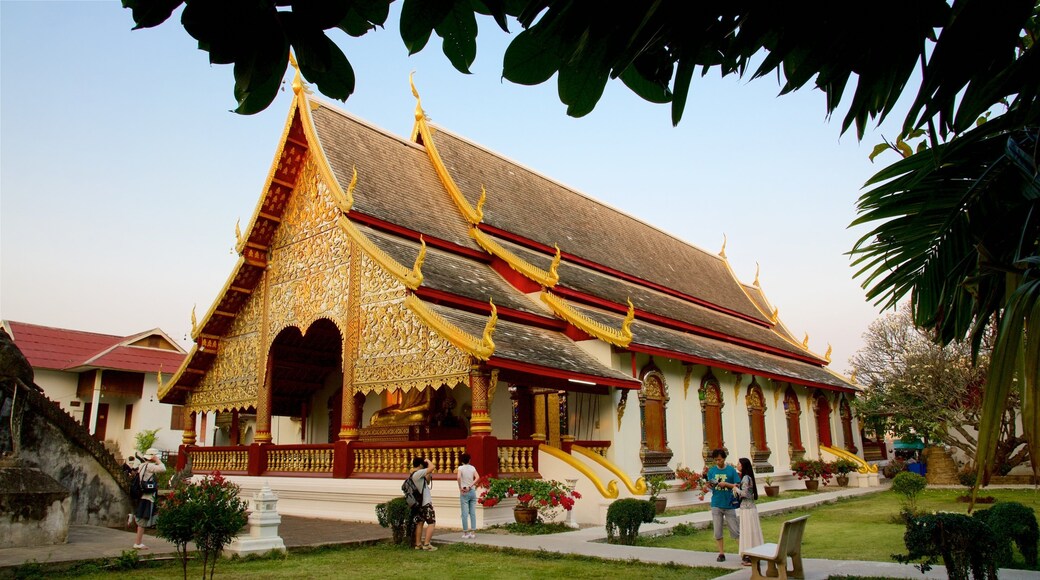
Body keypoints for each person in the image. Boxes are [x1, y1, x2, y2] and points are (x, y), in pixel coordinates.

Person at [707, 448, 740, 562]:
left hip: (729, 504)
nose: (718, 462)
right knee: (717, 531)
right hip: (716, 503)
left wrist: (726, 484)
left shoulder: (731, 470)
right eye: (716, 460)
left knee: (735, 530)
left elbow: (737, 485)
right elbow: (710, 486)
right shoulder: (711, 471)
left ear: (724, 459)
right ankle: (721, 553)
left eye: (720, 459)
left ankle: (743, 553)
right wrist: (708, 486)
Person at [733, 457, 764, 567]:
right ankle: (754, 553)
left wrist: (735, 489)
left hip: (746, 508)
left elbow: (745, 494)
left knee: (748, 531)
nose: (737, 465)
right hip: (750, 508)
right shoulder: (748, 477)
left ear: (742, 465)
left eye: (738, 463)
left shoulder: (745, 478)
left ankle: (749, 555)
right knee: (752, 531)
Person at [133, 448, 166, 550]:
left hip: (143, 495)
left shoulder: (142, 465)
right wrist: (157, 460)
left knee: (142, 518)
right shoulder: (150, 466)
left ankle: (138, 542)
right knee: (143, 519)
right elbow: (163, 469)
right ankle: (138, 543)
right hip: (147, 497)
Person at [410, 456, 437, 551]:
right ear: (421, 465)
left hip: (419, 503)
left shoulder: (414, 474)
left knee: (420, 522)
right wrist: (428, 461)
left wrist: (428, 472)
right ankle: (426, 544)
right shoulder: (418, 473)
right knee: (431, 522)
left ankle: (418, 544)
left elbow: (428, 482)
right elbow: (432, 467)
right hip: (425, 502)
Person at [456, 453, 479, 539]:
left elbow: (458, 477)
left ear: (462, 460)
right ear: (469, 460)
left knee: (464, 513)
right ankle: (473, 532)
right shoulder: (472, 468)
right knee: (472, 512)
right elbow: (477, 477)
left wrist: (460, 488)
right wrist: (471, 485)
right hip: (472, 490)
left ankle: (465, 533)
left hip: (464, 491)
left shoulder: (460, 468)